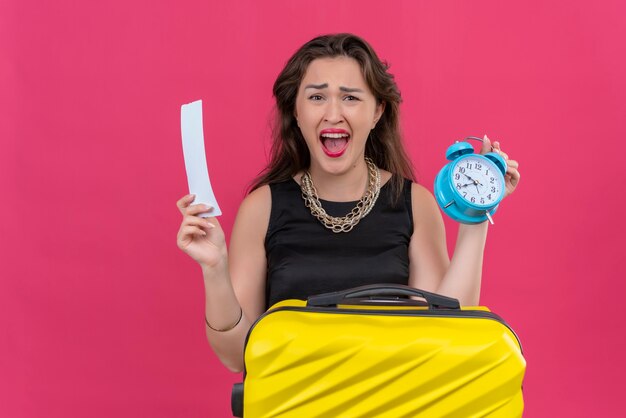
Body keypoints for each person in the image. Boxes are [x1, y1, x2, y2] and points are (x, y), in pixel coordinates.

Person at [176, 33, 520, 373]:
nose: (333, 114)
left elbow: (447, 330)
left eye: (351, 98)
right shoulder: (262, 207)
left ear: (377, 112)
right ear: (295, 112)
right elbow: (237, 357)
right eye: (316, 97)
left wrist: (477, 211)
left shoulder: (414, 202)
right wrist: (215, 268)